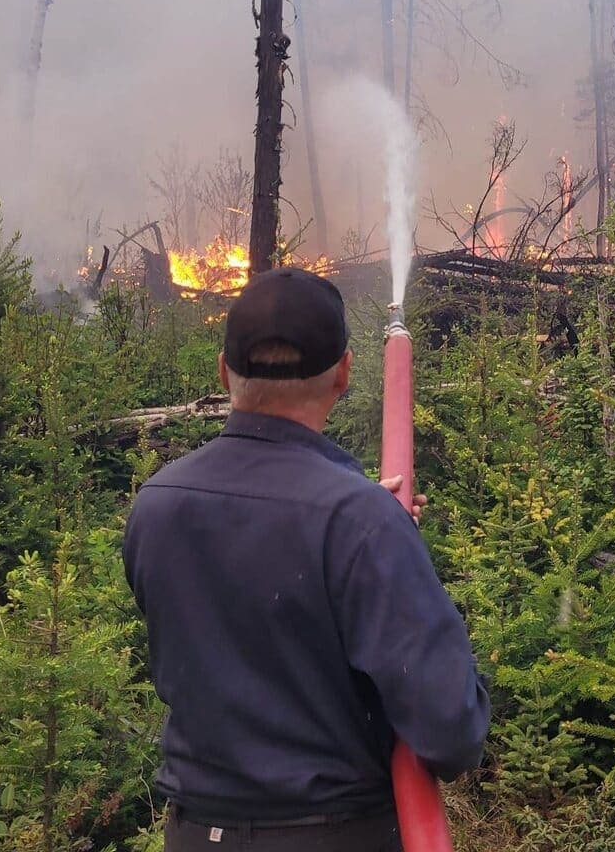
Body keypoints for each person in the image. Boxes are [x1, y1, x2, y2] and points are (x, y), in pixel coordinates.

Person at [124, 267, 490, 850]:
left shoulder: (157, 505)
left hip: (194, 834)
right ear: (344, 373)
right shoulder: (362, 524)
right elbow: (450, 729)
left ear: (223, 371)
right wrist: (378, 544)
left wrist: (368, 533)